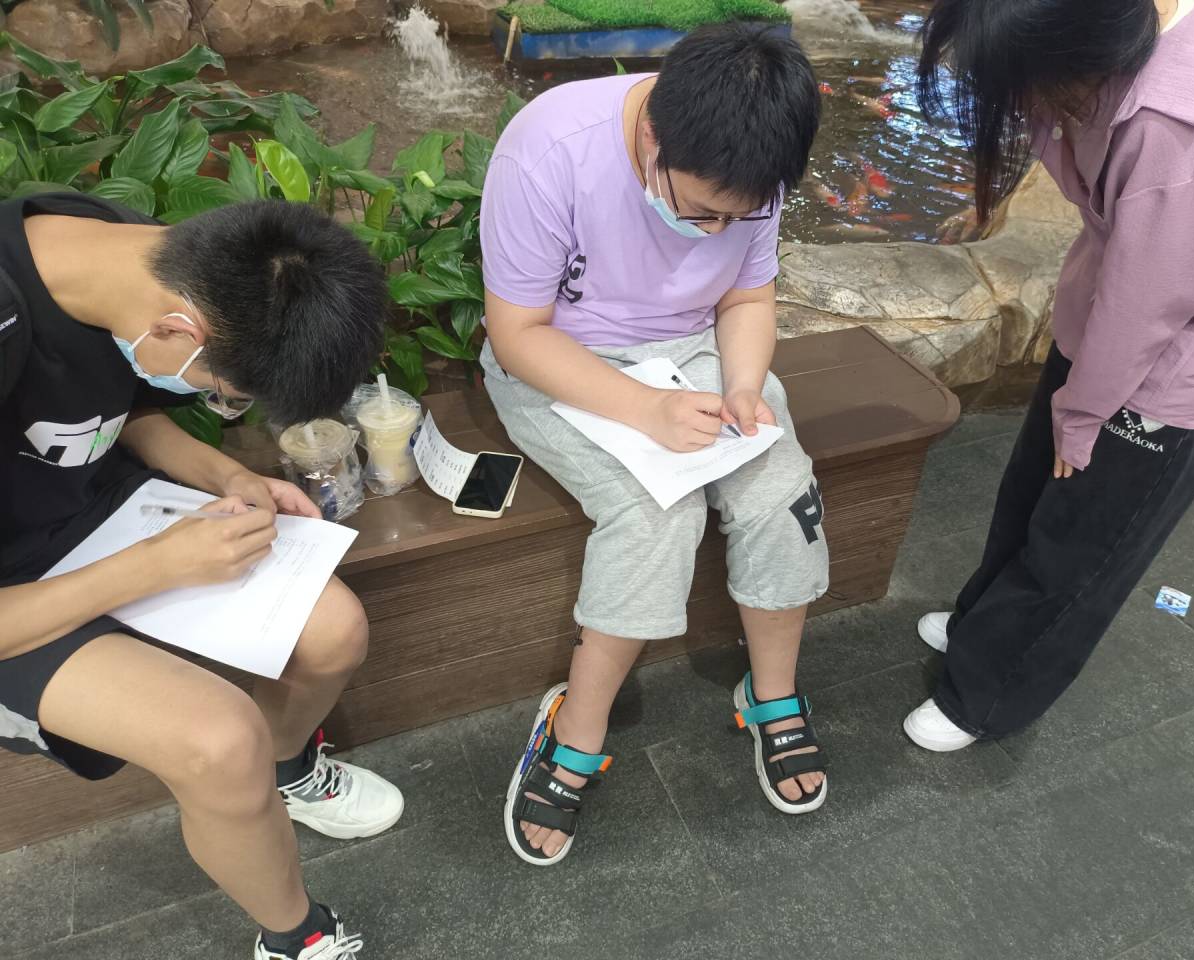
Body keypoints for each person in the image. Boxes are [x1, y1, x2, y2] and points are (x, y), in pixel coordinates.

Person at [0, 195, 404, 959]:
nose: (216, 401)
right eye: (225, 394)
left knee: (335, 630)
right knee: (218, 743)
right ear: (178, 330)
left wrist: (224, 474)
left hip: (90, 506)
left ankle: (286, 771)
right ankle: (295, 936)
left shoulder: (131, 250)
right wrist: (154, 566)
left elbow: (125, 410)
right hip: (16, 594)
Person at [480, 23, 829, 866]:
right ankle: (576, 723)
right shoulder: (548, 150)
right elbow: (518, 334)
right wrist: (644, 408)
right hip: (563, 359)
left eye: (737, 218)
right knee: (654, 514)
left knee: (781, 488)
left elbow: (747, 298)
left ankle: (772, 694)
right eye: (701, 211)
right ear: (650, 138)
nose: (714, 232)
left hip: (696, 349)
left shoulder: (754, 164)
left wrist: (743, 384)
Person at [906, 0, 1194, 751]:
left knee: (1083, 538)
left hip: (1189, 346)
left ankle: (990, 693)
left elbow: (1152, 301)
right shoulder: (1115, 35)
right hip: (1115, 301)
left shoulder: (1186, 131)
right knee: (1032, 488)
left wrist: (1082, 417)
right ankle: (983, 622)